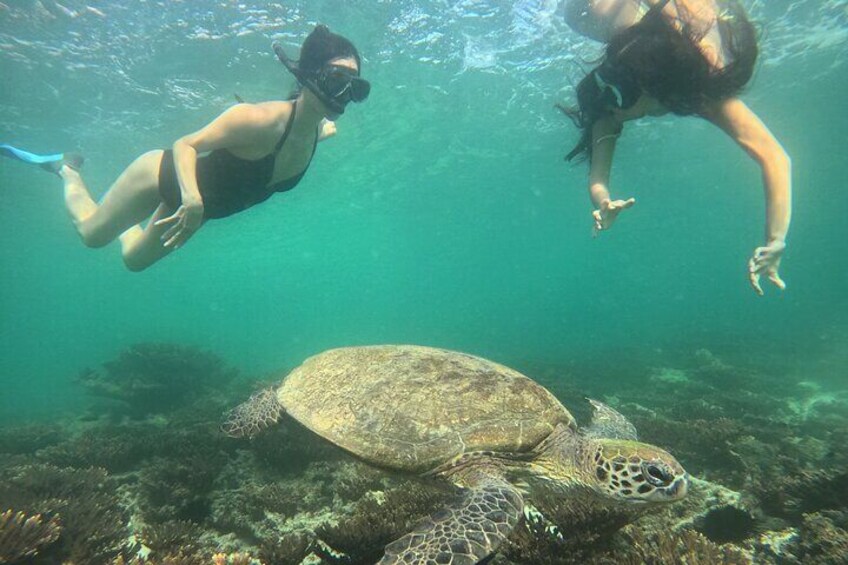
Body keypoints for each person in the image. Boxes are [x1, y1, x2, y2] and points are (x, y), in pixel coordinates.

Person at [1, 25, 370, 271]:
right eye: (338, 80)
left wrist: (326, 129)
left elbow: (315, 132)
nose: (345, 95)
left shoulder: (313, 133)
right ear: (307, 74)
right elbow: (186, 144)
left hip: (194, 210)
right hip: (161, 179)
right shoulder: (255, 118)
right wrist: (192, 201)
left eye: (356, 88)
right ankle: (67, 169)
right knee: (92, 237)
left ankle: (123, 220)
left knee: (133, 260)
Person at [560, 0, 791, 295]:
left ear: (640, 80)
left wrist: (776, 238)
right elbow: (598, 179)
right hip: (647, 27)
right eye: (611, 97)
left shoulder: (681, 69)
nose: (612, 106)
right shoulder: (692, 90)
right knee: (580, 17)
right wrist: (776, 239)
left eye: (618, 95)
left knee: (593, 16)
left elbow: (774, 157)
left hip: (642, 22)